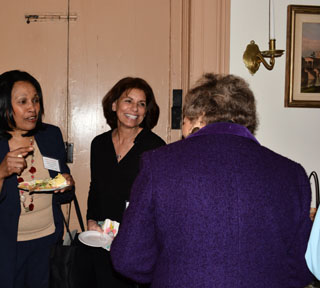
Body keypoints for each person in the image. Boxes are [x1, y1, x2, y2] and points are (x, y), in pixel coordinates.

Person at [110, 73, 314, 287]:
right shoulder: (292, 174)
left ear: (200, 114)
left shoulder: (159, 164)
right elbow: (302, 267)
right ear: (247, 118)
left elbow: (128, 259)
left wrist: (171, 274)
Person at [0, 70, 74, 288]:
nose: (33, 108)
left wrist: (67, 184)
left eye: (35, 100)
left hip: (47, 243)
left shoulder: (50, 135)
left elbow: (64, 196)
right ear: (3, 106)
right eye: (23, 102)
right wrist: (0, 173)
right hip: (5, 248)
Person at [80, 77, 166, 288]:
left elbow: (158, 202)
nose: (134, 108)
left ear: (146, 111)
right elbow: (95, 187)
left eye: (142, 104)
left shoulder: (155, 147)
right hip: (102, 239)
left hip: (136, 244)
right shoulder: (99, 144)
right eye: (128, 100)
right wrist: (91, 220)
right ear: (114, 104)